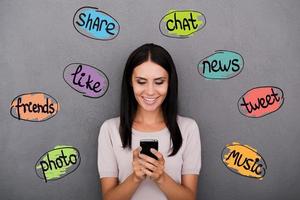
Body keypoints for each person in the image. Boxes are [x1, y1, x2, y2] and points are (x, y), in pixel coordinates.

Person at [97, 43, 201, 200]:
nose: (150, 91)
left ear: (169, 83)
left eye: (159, 82)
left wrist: (161, 178)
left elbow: (189, 198)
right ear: (130, 82)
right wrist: (135, 178)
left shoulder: (188, 128)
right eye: (141, 81)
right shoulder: (110, 129)